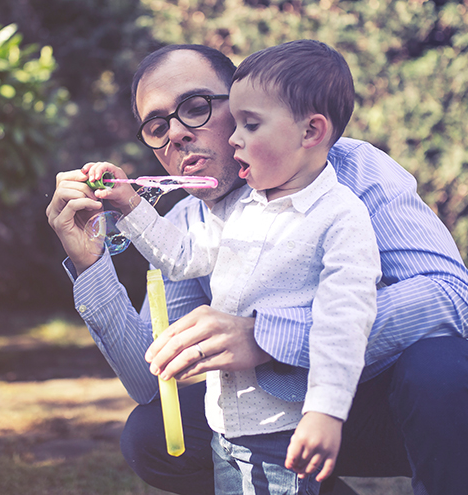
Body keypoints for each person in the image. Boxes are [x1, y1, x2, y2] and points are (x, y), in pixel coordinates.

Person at [45, 43, 468, 495]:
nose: (175, 134)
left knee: (441, 367)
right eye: (155, 126)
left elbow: (453, 298)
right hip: (281, 420)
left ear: (246, 104)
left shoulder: (353, 174)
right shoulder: (187, 221)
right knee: (151, 435)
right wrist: (91, 263)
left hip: (410, 405)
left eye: (194, 108)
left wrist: (266, 337)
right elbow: (152, 381)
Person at [85, 40, 380, 492]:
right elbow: (181, 256)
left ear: (311, 131)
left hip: (283, 428)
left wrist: (325, 412)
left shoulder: (341, 215)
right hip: (227, 426)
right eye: (158, 125)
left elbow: (344, 323)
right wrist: (127, 204)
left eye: (249, 124)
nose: (235, 138)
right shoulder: (240, 208)